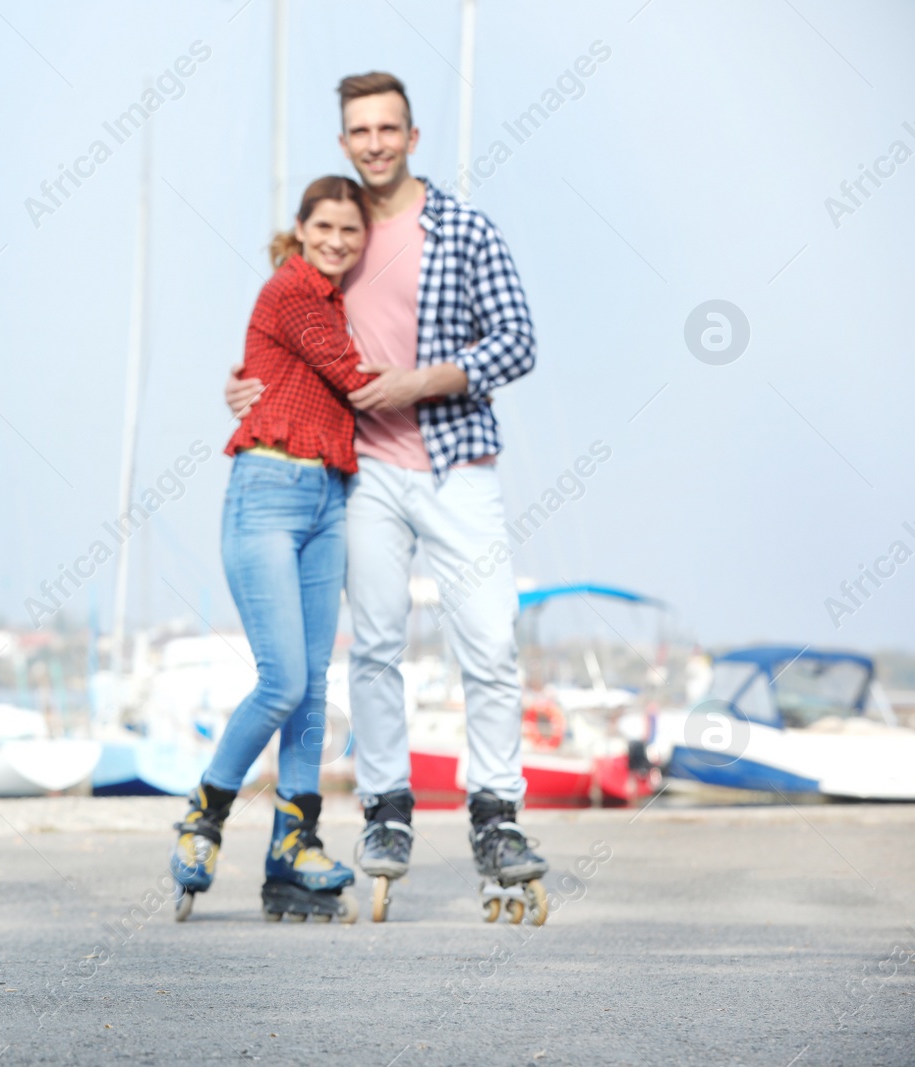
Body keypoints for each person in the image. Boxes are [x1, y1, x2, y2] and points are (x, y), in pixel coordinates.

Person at [225, 72, 548, 918]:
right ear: (344, 142)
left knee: (489, 640)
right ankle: (387, 811)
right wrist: (247, 388)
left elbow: (518, 342)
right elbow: (289, 339)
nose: (374, 142)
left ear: (411, 134)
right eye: (359, 130)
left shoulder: (463, 229)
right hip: (362, 472)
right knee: (372, 647)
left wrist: (421, 383)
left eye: (388, 128)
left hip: (456, 463)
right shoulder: (341, 236)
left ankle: (497, 816)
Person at [171, 176, 377, 924]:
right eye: (324, 226)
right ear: (301, 228)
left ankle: (295, 849)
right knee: (284, 679)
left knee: (315, 688)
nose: (337, 240)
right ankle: (205, 813)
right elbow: (356, 378)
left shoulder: (344, 302)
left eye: (351, 231)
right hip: (267, 489)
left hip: (329, 498)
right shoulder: (291, 289)